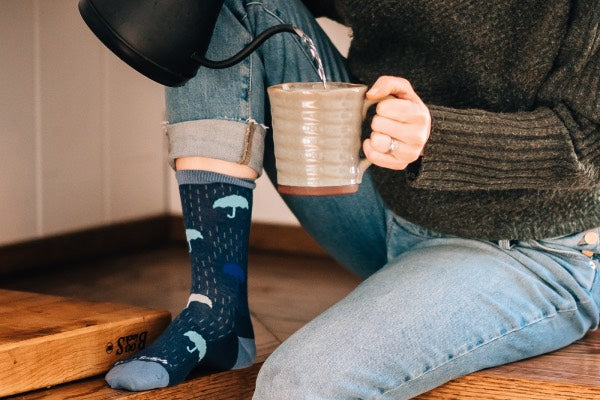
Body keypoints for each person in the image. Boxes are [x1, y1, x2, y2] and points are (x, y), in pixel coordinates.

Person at [105, 0, 600, 398]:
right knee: (224, 4)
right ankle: (216, 311)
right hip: (382, 202)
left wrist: (438, 136)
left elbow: (587, 141)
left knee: (298, 386)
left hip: (531, 249)